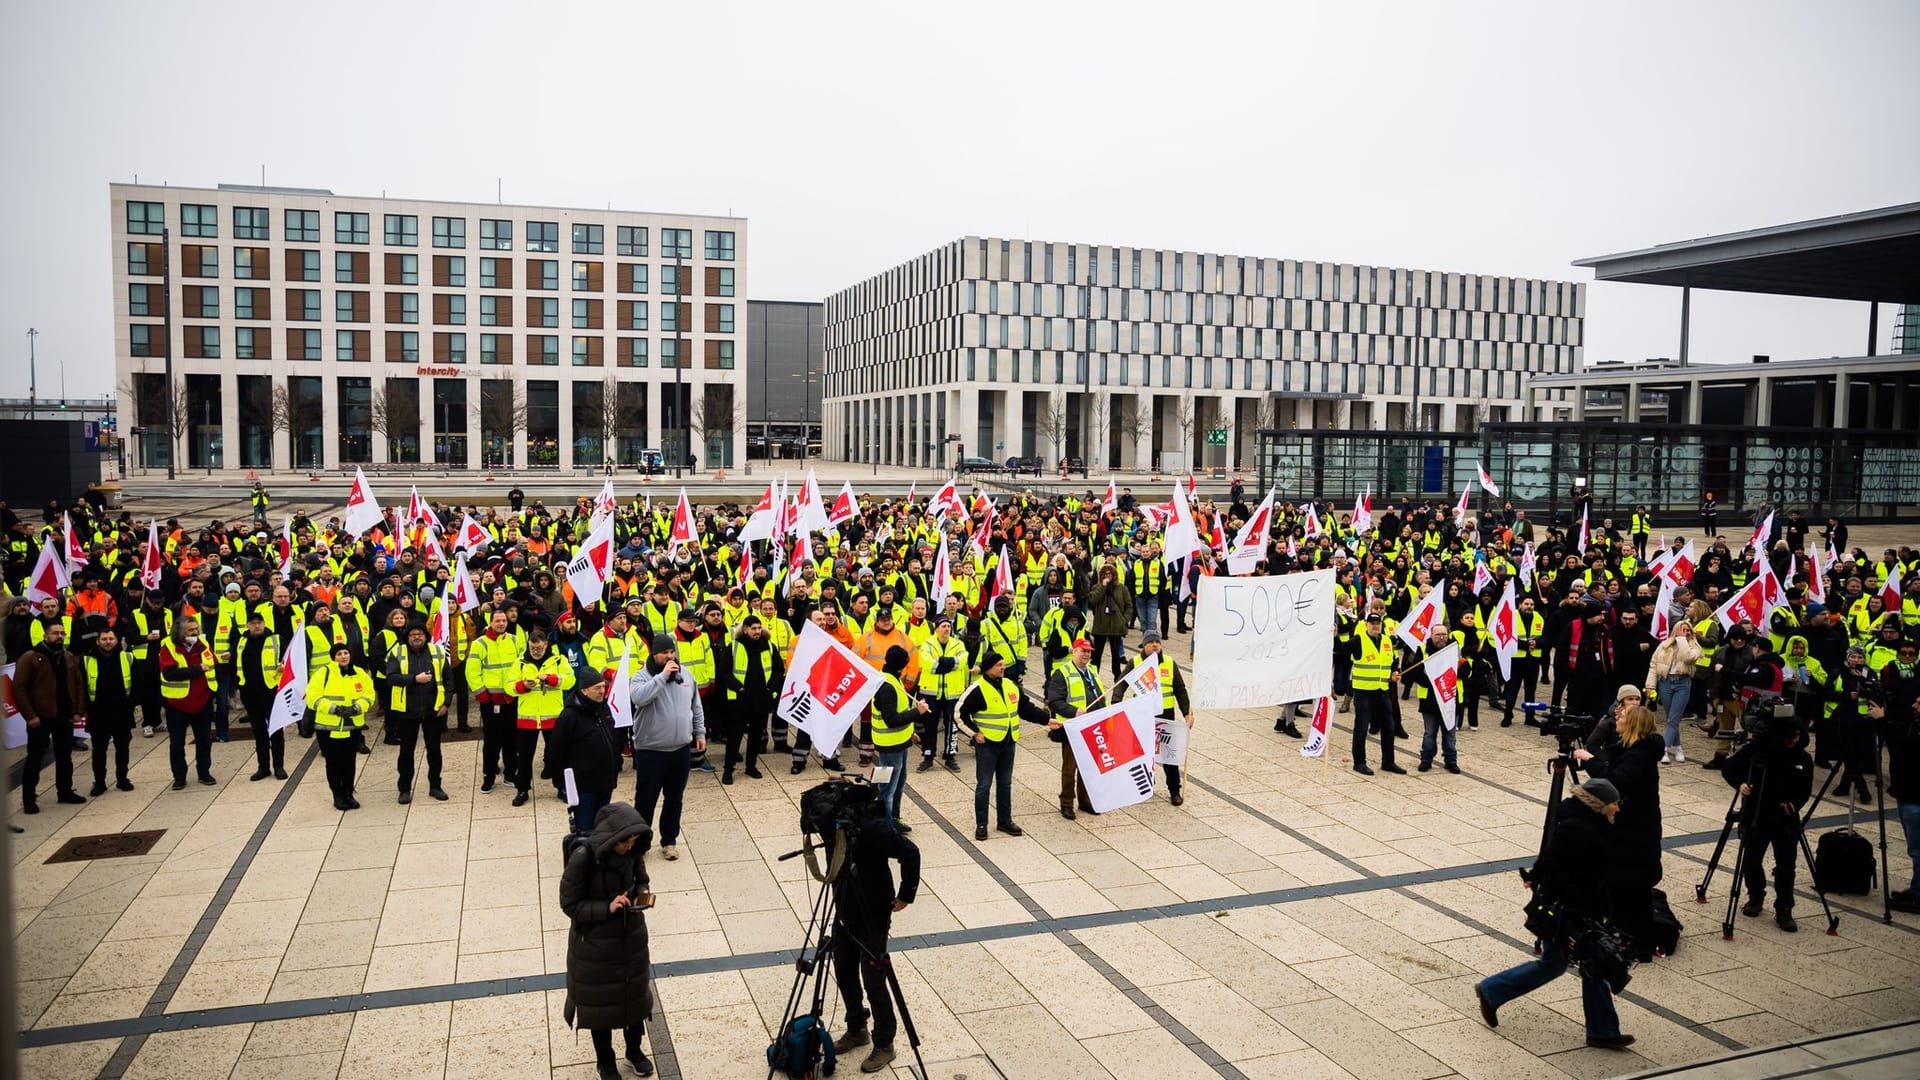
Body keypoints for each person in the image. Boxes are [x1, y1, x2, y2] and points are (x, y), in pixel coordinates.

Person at [1475, 777, 1635, 1049]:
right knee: (1560, 964)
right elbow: (1552, 858)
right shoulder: (1577, 828)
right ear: (1598, 804)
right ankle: (1492, 991)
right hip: (1568, 909)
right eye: (1613, 804)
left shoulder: (1593, 824)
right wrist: (1544, 881)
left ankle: (1603, 1031)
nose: (1617, 809)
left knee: (1590, 964)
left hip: (1582, 907)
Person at [559, 802, 655, 1080]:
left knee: (634, 1002)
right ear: (612, 839)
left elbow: (641, 879)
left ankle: (634, 1052)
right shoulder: (583, 858)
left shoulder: (633, 851)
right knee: (600, 1010)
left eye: (633, 842)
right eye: (625, 843)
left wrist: (642, 893)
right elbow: (569, 904)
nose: (629, 847)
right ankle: (606, 1062)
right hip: (595, 949)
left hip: (630, 940)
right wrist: (606, 906)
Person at [830, 793, 921, 1075]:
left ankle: (885, 1042)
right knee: (843, 969)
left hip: (873, 910)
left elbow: (911, 852)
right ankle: (856, 1027)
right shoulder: (833, 823)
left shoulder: (874, 829)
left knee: (873, 978)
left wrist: (906, 894)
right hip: (845, 904)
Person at [1575, 704, 1666, 958]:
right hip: (1632, 831)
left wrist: (1590, 761)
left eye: (1623, 716)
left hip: (1635, 834)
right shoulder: (1634, 750)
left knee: (1634, 890)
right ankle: (1628, 936)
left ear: (1633, 725)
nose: (1618, 718)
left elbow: (1614, 783)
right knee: (1627, 887)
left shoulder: (1638, 755)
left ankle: (1640, 944)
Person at [1720, 718, 1815, 932]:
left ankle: (1784, 908)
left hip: (1785, 819)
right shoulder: (1759, 751)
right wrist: (1741, 784)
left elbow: (1805, 791)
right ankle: (1755, 896)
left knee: (1786, 865)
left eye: (1799, 736)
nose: (1795, 740)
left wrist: (1794, 805)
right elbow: (1729, 768)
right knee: (1752, 859)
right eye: (1791, 736)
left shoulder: (1803, 758)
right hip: (1757, 814)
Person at [955, 651, 1049, 841]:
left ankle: (1004, 820)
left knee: (1005, 784)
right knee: (984, 785)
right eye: (999, 665)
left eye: (1003, 664)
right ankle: (982, 824)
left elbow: (1026, 709)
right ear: (988, 668)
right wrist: (974, 734)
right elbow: (959, 714)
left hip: (1008, 743)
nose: (1003, 667)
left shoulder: (1010, 685)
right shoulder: (978, 689)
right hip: (988, 746)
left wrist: (1047, 719)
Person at [629, 633, 706, 861]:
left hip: (680, 749)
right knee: (646, 799)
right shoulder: (641, 677)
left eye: (672, 652)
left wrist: (699, 732)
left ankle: (669, 841)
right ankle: (640, 844)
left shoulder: (686, 676)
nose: (670, 657)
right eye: (665, 653)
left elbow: (696, 706)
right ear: (654, 654)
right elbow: (639, 698)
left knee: (674, 798)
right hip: (651, 750)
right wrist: (661, 677)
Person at [13, 618, 87, 813]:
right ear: (46, 635)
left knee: (64, 756)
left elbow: (79, 684)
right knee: (35, 758)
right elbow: (19, 689)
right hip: (40, 718)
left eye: (62, 633)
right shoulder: (31, 657)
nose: (60, 636)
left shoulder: (68, 656)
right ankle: (29, 798)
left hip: (64, 716)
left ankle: (65, 791)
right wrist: (30, 716)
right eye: (55, 633)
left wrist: (78, 711)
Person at [549, 668, 622, 834]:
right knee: (586, 829)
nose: (602, 691)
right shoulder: (569, 716)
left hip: (606, 782)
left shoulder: (604, 709)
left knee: (603, 826)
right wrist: (562, 784)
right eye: (597, 688)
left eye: (603, 686)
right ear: (584, 690)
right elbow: (555, 752)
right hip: (584, 786)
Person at [1126, 631, 1193, 805]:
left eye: (1157, 641)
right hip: (1143, 715)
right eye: (1151, 642)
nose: (1155, 644)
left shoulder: (1170, 663)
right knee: (1143, 754)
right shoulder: (1135, 662)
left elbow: (1180, 689)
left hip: (1165, 716)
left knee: (1169, 756)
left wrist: (1187, 713)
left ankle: (1174, 790)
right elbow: (1120, 685)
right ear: (1144, 646)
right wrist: (1116, 704)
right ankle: (1145, 786)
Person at [385, 623, 449, 803]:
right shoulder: (398, 653)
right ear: (407, 637)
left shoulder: (436, 651)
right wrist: (414, 679)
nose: (416, 637)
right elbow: (391, 678)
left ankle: (435, 786)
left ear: (425, 635)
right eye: (412, 634)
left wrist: (447, 703)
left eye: (420, 633)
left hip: (433, 710)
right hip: (407, 711)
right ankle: (404, 788)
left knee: (434, 751)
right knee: (406, 752)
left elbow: (448, 677)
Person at [510, 630, 575, 806]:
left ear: (546, 644)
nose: (535, 651)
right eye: (532, 648)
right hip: (527, 718)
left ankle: (562, 788)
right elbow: (508, 686)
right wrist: (523, 686)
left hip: (552, 717)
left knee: (558, 755)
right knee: (524, 757)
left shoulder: (558, 660)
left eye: (538, 648)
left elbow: (570, 680)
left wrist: (551, 679)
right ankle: (522, 790)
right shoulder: (520, 662)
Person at [307, 643, 373, 811]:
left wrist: (356, 708)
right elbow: (313, 697)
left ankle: (349, 793)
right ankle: (338, 795)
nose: (343, 656)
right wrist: (334, 709)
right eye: (339, 654)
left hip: (351, 727)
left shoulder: (359, 673)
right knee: (333, 763)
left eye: (346, 653)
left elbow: (369, 695)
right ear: (333, 657)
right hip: (328, 728)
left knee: (349, 762)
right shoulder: (323, 673)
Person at [1045, 638, 1106, 818]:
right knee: (1070, 768)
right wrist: (1073, 712)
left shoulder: (1092, 671)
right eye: (1083, 651)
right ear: (1074, 651)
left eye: (1089, 651)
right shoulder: (1062, 672)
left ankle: (1085, 800)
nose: (1087, 654)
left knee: (1088, 767)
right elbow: (1054, 701)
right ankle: (1066, 802)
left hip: (1092, 727)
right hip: (1073, 728)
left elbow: (1100, 696)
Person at [157, 615, 220, 790]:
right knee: (176, 743)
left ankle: (204, 772)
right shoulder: (167, 647)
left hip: (202, 701)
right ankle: (179, 776)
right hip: (177, 703)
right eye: (190, 630)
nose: (195, 633)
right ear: (180, 632)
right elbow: (170, 673)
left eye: (196, 629)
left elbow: (212, 663)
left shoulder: (203, 644)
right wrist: (197, 669)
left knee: (204, 740)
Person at [466, 607, 523, 794]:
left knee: (511, 738)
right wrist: (482, 693)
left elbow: (522, 666)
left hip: (511, 699)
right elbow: (472, 672)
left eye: (504, 621)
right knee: (491, 740)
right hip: (490, 701)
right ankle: (489, 776)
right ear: (490, 622)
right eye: (497, 621)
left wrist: (518, 688)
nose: (501, 624)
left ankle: (510, 774)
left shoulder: (515, 641)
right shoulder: (480, 644)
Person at [719, 615, 783, 782]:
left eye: (759, 628)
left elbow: (778, 670)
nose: (757, 631)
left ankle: (751, 766)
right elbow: (723, 673)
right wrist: (738, 687)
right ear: (745, 630)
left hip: (761, 699)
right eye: (753, 628)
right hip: (739, 699)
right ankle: (728, 770)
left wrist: (771, 688)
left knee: (756, 735)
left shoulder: (769, 646)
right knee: (735, 736)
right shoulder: (733, 647)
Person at [870, 645, 926, 831]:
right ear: (903, 665)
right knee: (887, 789)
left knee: (898, 783)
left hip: (899, 742)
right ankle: (884, 826)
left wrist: (910, 732)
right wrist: (917, 713)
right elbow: (891, 719)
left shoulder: (892, 678)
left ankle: (894, 818)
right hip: (889, 745)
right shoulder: (887, 686)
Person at [82, 627, 137, 796]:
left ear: (117, 640)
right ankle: (99, 782)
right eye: (104, 639)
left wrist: (132, 703)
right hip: (98, 713)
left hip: (122, 712)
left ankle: (122, 779)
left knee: (123, 749)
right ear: (98, 641)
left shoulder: (127, 657)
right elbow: (81, 687)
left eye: (111, 639)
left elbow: (137, 683)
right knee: (99, 751)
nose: (108, 642)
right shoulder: (86, 660)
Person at [1349, 613, 1404, 775]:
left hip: (1382, 692)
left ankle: (1388, 762)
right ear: (1366, 624)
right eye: (1372, 623)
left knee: (1389, 727)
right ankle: (1359, 763)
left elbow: (1393, 661)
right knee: (1361, 728)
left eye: (1378, 623)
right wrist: (1334, 635)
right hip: (1363, 692)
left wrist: (1395, 671)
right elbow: (1340, 649)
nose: (1375, 626)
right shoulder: (1358, 640)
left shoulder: (1386, 640)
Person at [235, 610, 287, 782]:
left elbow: (288, 661)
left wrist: (282, 666)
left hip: (271, 692)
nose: (256, 626)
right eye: (253, 623)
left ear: (264, 624)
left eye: (259, 622)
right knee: (259, 733)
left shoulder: (276, 640)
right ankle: (263, 767)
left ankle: (278, 766)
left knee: (276, 731)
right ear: (248, 625)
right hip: (250, 693)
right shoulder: (242, 641)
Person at [914, 615, 968, 773]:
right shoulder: (928, 644)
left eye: (948, 627)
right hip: (930, 692)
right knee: (929, 726)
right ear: (936, 628)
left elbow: (962, 661)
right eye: (943, 626)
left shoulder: (958, 643)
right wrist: (949, 663)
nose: (946, 629)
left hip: (952, 693)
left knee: (952, 725)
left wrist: (946, 662)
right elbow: (927, 663)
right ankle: (928, 756)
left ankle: (950, 756)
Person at [1648, 621, 1703, 764]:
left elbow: (1688, 658)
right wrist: (1650, 686)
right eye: (1681, 630)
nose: (1684, 632)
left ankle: (1664, 750)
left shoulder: (1694, 647)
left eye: (1687, 630)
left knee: (1673, 719)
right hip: (1665, 682)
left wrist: (1682, 640)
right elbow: (1654, 665)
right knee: (1672, 718)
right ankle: (1678, 747)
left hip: (1682, 683)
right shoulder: (1664, 645)